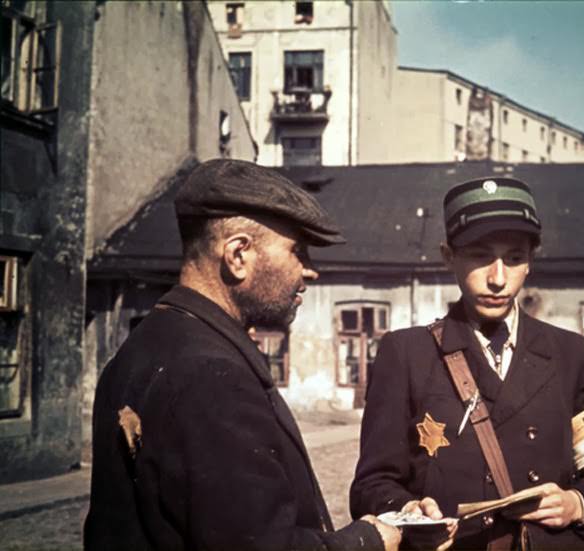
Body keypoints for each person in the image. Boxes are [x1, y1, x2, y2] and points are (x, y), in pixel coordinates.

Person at [84, 160, 401, 551]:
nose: (311, 271)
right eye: (297, 252)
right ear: (238, 255)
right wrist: (369, 539)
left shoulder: (145, 346)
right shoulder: (210, 375)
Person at [350, 177, 584, 550]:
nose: (498, 279)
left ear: (531, 261)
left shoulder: (571, 354)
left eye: (514, 258)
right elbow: (371, 485)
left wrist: (576, 503)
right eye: (480, 256)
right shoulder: (406, 354)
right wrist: (408, 511)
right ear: (448, 256)